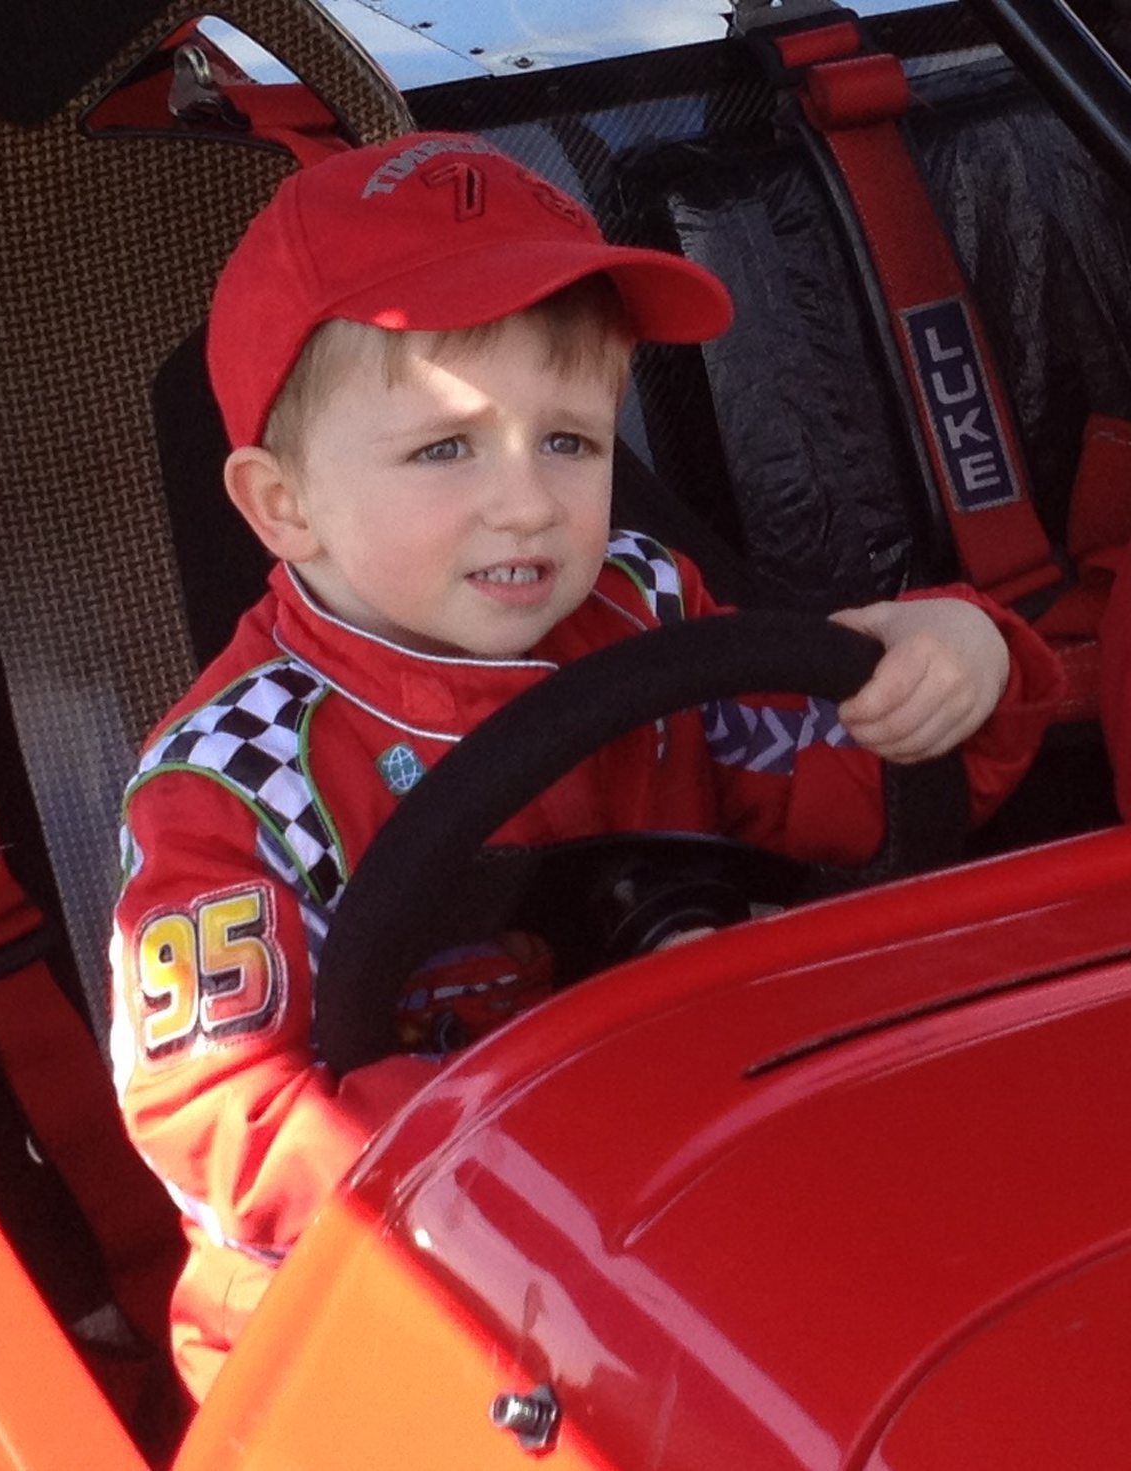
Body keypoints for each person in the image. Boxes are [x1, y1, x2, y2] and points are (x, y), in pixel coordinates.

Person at [109, 132, 1063, 1401]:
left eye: (569, 440)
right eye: (447, 449)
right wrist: (525, 1137)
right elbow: (219, 1119)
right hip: (378, 1293)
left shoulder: (644, 607)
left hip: (693, 1173)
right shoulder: (233, 778)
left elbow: (837, 797)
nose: (528, 505)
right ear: (283, 505)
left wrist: (964, 667)